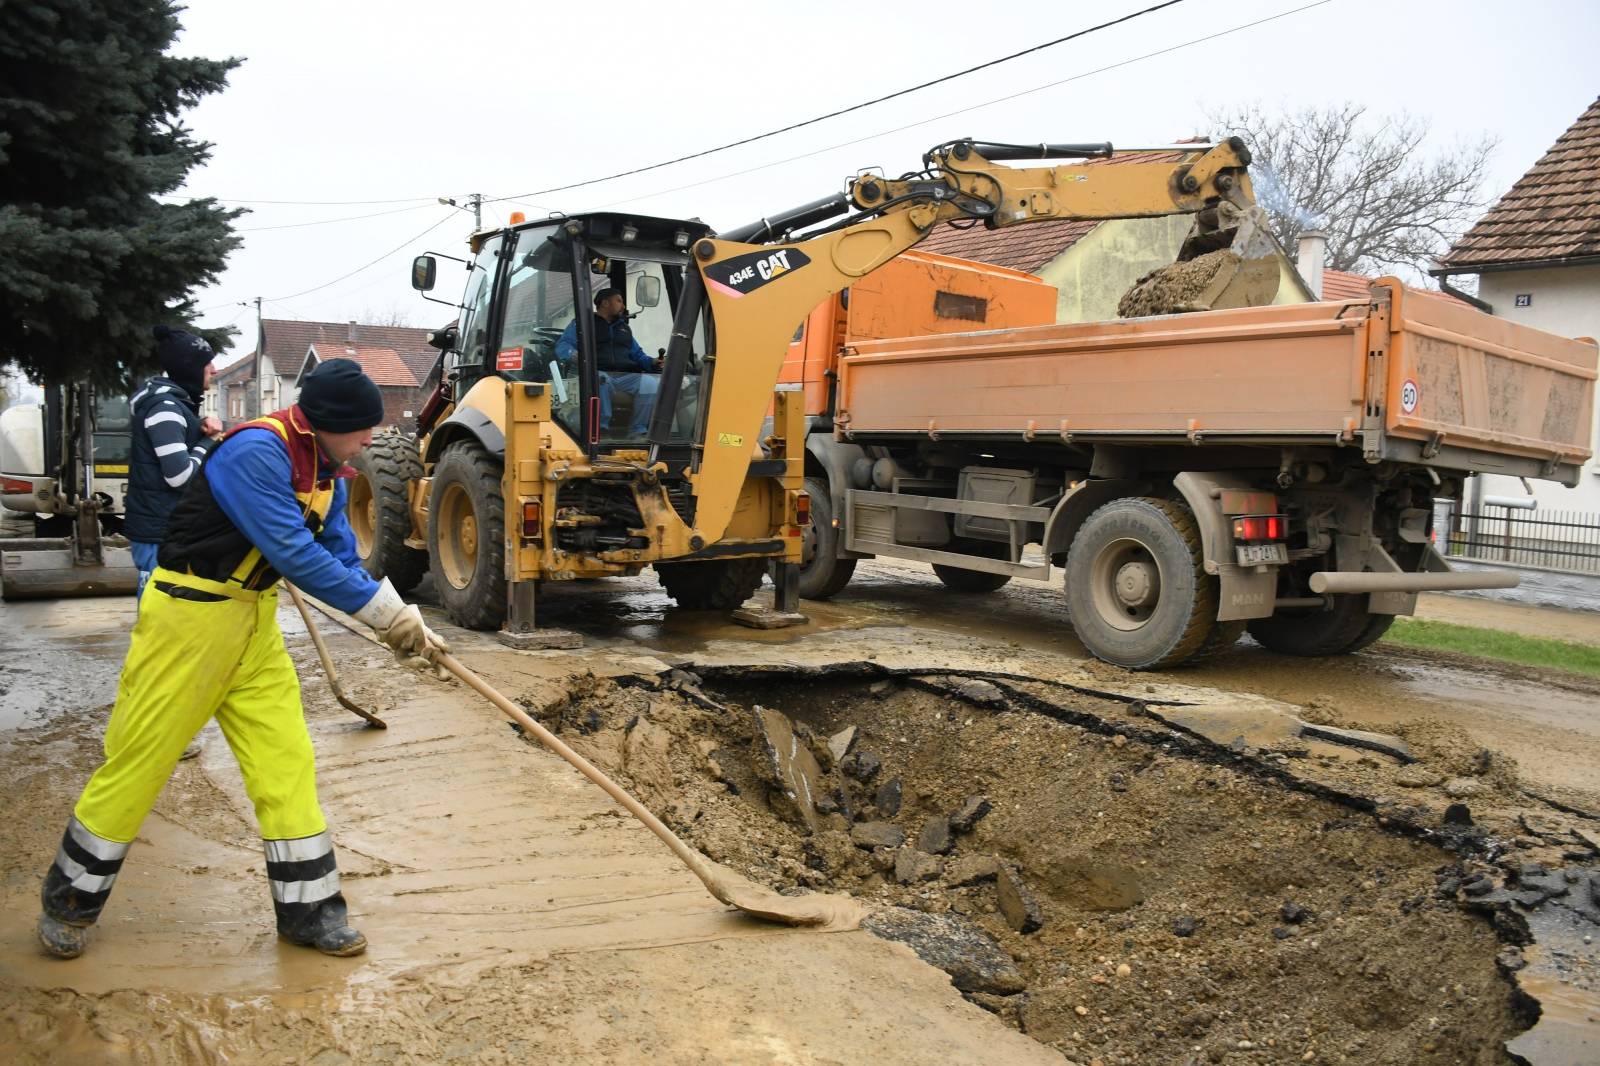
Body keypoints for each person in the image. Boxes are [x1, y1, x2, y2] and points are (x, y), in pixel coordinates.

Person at [36, 358, 447, 961]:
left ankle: (310, 913)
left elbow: (336, 552)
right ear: (329, 422)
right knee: (140, 763)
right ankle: (68, 902)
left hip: (253, 625)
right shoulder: (255, 451)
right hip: (189, 622)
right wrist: (384, 618)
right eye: (363, 428)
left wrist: (398, 615)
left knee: (286, 764)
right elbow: (293, 552)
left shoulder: (326, 469)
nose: (370, 439)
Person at [126, 326, 223, 598]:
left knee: (168, 620)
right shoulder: (165, 408)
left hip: (165, 530)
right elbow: (179, 476)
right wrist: (208, 442)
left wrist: (197, 428)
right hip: (158, 534)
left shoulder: (174, 406)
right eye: (207, 363)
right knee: (156, 620)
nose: (213, 370)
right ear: (190, 368)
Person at [554, 286, 661, 436]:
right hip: (598, 373)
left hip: (624, 376)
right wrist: (574, 355)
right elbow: (563, 345)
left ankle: (638, 430)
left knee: (650, 383)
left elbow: (638, 355)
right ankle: (601, 428)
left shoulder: (624, 329)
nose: (623, 306)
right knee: (601, 379)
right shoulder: (583, 324)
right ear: (605, 303)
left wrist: (653, 362)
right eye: (619, 301)